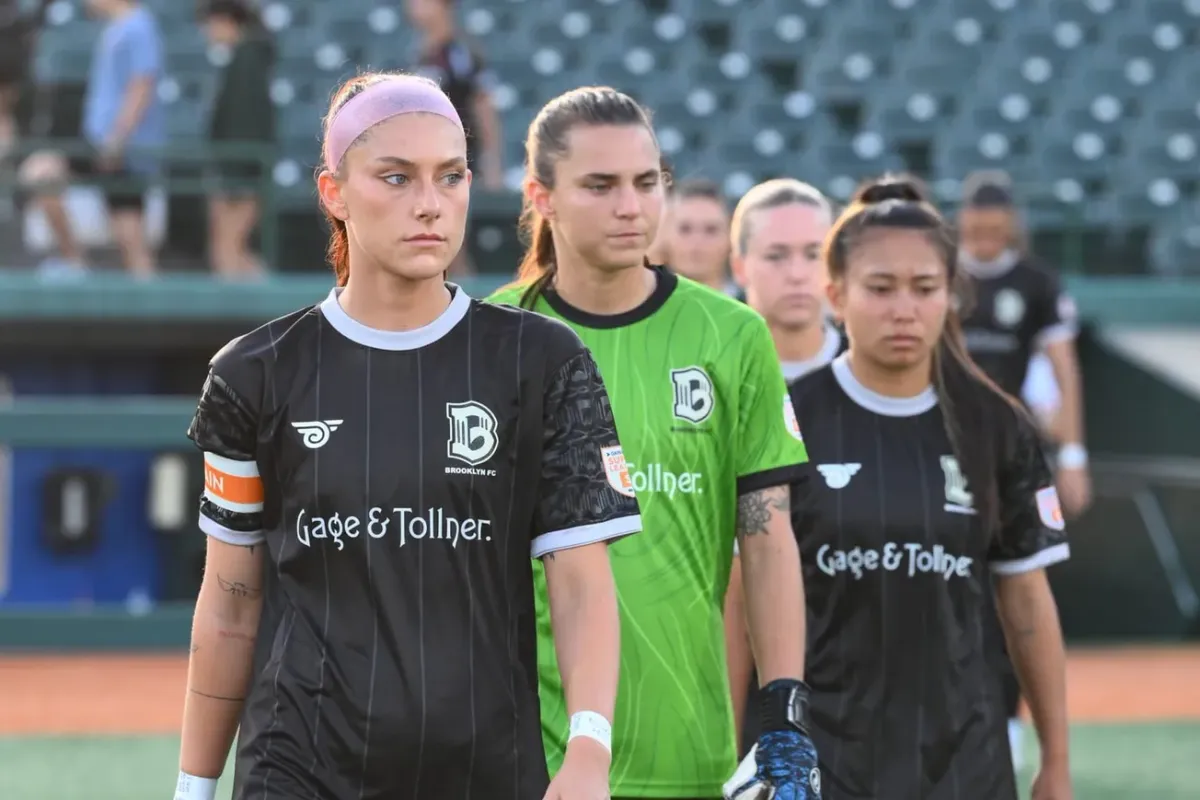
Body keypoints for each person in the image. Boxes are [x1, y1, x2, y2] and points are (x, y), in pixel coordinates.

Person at [172, 73, 637, 800]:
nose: (430, 203)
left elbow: (580, 586)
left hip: (484, 765)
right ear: (334, 193)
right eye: (397, 177)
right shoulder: (253, 374)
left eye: (450, 176)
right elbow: (231, 602)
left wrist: (588, 752)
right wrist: (193, 787)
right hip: (297, 769)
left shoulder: (540, 362)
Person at [488, 86, 820, 800]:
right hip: (524, 752)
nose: (630, 206)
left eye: (646, 182)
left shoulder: (732, 337)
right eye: (599, 186)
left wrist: (784, 716)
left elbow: (766, 539)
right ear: (541, 196)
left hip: (686, 745)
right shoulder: (490, 339)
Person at [733, 176, 1072, 800]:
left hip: (965, 761)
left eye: (924, 289)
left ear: (951, 296)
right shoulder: (784, 418)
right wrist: (731, 745)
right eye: (880, 288)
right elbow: (740, 600)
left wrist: (1056, 759)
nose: (903, 309)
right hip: (823, 762)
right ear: (837, 294)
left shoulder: (995, 425)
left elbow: (1026, 600)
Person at [956, 169, 1090, 768]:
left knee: (1017, 589)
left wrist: (1073, 453)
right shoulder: (943, 273)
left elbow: (1065, 369)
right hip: (946, 450)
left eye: (994, 227)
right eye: (975, 227)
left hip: (1011, 458)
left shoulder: (1036, 283)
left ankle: (1008, 726)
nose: (984, 237)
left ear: (1011, 223)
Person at [723, 178, 843, 749]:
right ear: (740, 264)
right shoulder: (706, 374)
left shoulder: (877, 379)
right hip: (718, 658)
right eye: (776, 255)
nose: (798, 273)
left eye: (814, 254)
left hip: (854, 662)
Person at [17, 0, 164, 277]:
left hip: (121, 148)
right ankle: (74, 261)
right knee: (41, 173)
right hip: (96, 143)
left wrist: (119, 138)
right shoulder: (117, 27)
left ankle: (155, 311)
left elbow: (141, 85)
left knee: (131, 239)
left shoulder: (139, 25)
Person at [405, 0, 504, 276]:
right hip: (424, 161)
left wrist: (492, 160)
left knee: (449, 244)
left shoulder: (460, 53)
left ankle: (469, 311)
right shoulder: (421, 52)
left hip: (453, 161)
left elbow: (484, 107)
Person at [200, 0, 275, 280]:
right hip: (239, 170)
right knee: (232, 251)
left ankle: (266, 317)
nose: (208, 32)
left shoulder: (247, 60)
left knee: (227, 250)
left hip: (239, 172)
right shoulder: (245, 57)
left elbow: (244, 123)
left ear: (226, 21)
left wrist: (233, 175)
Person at [662, 176, 736, 292]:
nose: (697, 241)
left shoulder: (754, 308)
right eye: (685, 229)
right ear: (664, 234)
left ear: (730, 237)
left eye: (711, 230)